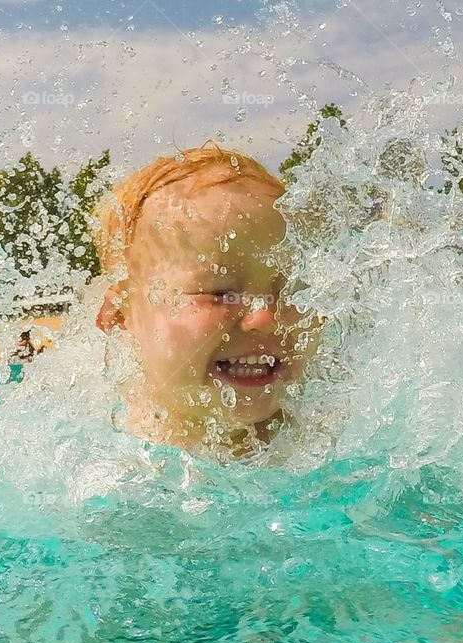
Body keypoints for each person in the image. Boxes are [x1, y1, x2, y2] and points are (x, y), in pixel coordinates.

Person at [92, 145, 322, 455]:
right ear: (120, 317)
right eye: (219, 292)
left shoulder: (326, 431)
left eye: (290, 290)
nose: (265, 316)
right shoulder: (106, 456)